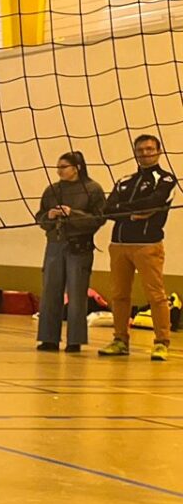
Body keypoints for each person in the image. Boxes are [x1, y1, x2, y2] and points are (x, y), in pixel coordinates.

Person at [98, 133, 176, 360]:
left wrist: (123, 210)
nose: (145, 153)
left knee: (156, 295)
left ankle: (161, 342)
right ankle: (120, 340)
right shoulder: (124, 181)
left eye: (149, 149)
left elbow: (153, 202)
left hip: (147, 245)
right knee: (119, 295)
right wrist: (132, 213)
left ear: (158, 151)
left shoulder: (166, 180)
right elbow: (107, 209)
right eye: (140, 150)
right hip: (119, 245)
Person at [37, 151, 107, 352]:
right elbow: (40, 217)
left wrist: (72, 214)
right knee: (50, 292)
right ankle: (48, 339)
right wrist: (49, 216)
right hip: (55, 245)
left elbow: (99, 219)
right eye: (57, 167)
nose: (59, 171)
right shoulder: (52, 190)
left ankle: (75, 341)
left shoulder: (92, 189)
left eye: (63, 167)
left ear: (76, 168)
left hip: (79, 247)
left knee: (77, 294)